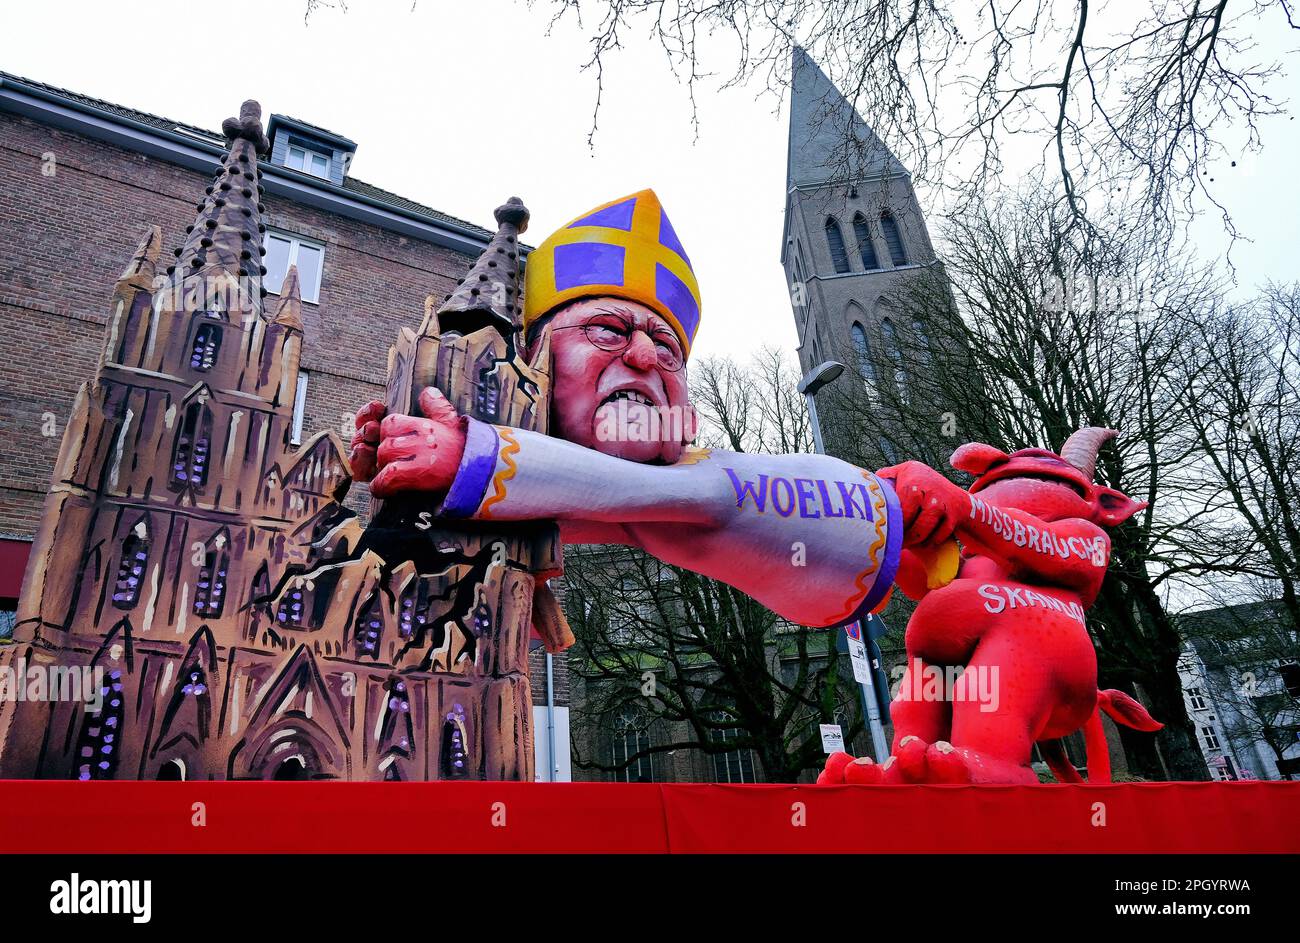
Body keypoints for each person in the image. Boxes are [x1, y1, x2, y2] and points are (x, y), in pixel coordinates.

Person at [347, 189, 917, 629]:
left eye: (667, 346)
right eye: (606, 330)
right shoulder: (584, 497)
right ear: (532, 366)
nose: (644, 356)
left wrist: (470, 457)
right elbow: (581, 498)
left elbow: (633, 493)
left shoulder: (708, 479)